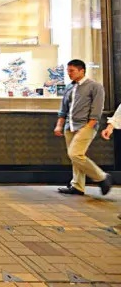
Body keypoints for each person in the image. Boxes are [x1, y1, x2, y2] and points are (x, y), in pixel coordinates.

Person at [54, 59, 113, 196]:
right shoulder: (69, 87)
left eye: (72, 71)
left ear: (82, 71)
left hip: (86, 126)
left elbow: (97, 109)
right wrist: (59, 125)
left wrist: (89, 126)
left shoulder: (95, 86)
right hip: (69, 126)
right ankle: (78, 186)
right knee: (76, 157)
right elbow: (63, 109)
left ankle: (102, 177)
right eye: (68, 71)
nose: (69, 73)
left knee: (74, 154)